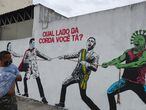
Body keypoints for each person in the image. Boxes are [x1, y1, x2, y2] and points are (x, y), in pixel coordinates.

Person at [102, 30, 146, 110]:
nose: (137, 41)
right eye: (136, 39)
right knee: (110, 92)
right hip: (125, 81)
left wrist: (122, 65)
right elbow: (118, 59)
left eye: (140, 39)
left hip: (139, 84)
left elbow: (138, 63)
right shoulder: (129, 52)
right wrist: (108, 63)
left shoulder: (145, 53)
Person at [55, 37, 100, 110]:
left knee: (83, 96)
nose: (90, 42)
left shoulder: (95, 55)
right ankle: (62, 103)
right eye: (89, 40)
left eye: (92, 41)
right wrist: (63, 57)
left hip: (83, 78)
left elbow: (95, 68)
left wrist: (86, 64)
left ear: (94, 45)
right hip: (75, 75)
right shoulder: (82, 51)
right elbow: (73, 55)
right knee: (64, 84)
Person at [18, 38, 51, 104]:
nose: (34, 44)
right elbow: (24, 61)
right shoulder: (27, 51)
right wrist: (28, 60)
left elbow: (41, 55)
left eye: (34, 43)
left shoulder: (35, 50)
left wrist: (48, 58)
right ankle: (26, 93)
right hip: (29, 69)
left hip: (34, 69)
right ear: (30, 44)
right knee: (25, 79)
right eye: (33, 43)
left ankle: (43, 97)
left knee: (38, 82)